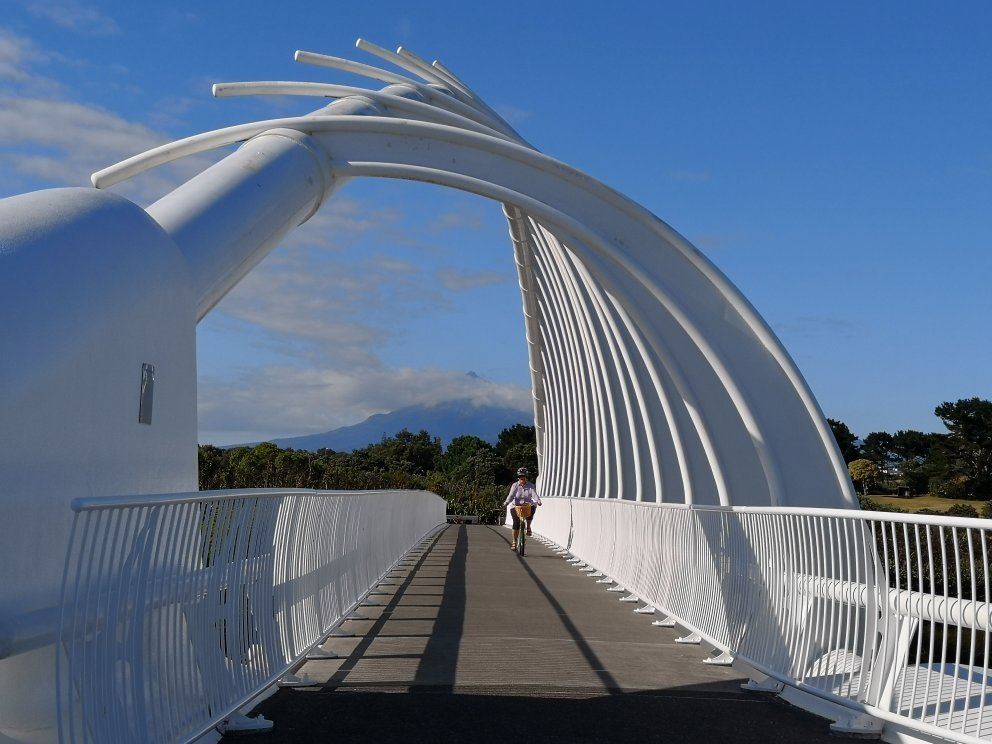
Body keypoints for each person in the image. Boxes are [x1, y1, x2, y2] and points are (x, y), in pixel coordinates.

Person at [504, 467, 541, 550]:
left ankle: (528, 527)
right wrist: (506, 502)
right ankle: (514, 542)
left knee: (533, 507)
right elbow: (511, 495)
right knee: (516, 523)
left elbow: (534, 494)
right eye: (520, 477)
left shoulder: (531, 486)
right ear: (518, 477)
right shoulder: (515, 485)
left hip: (527, 505)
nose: (522, 478)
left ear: (526, 477)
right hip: (516, 505)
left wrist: (538, 500)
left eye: (523, 476)